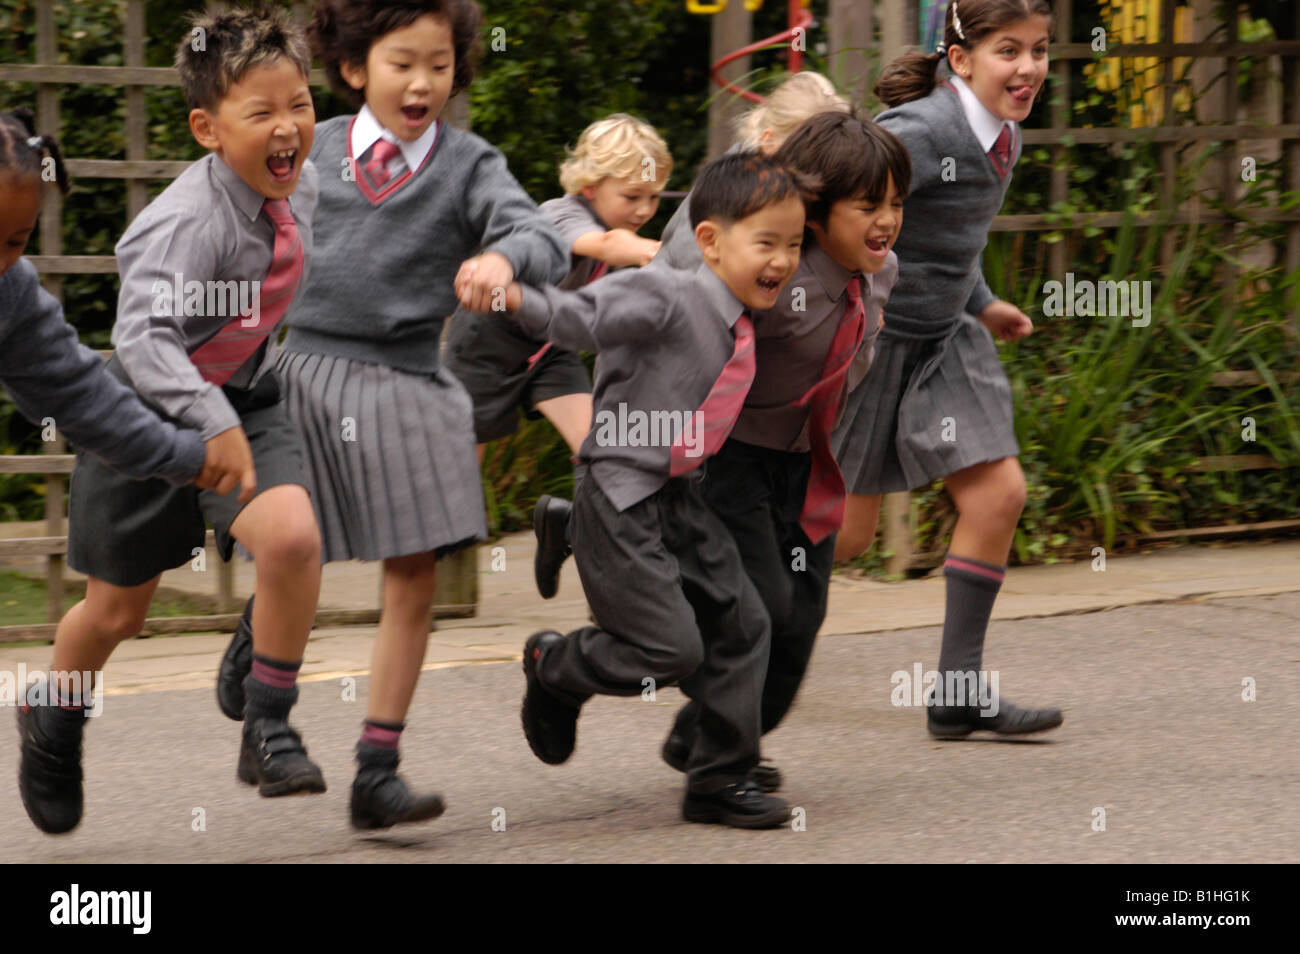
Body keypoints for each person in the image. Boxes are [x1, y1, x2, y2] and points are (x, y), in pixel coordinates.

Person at [216, 0, 568, 831]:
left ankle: (378, 769)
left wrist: (500, 254)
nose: (421, 83)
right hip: (303, 372)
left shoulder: (471, 163)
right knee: (291, 549)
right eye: (402, 62)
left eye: (439, 65)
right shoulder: (310, 148)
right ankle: (267, 707)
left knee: (414, 575)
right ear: (351, 68)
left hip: (412, 380)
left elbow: (541, 237)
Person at [20, 7, 326, 837]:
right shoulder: (187, 221)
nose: (287, 126)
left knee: (294, 539)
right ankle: (52, 716)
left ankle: (268, 720)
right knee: (116, 613)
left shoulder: (307, 171)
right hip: (149, 412)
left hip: (248, 400)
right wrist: (203, 420)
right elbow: (141, 336)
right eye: (259, 113)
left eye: (297, 103)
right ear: (206, 128)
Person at [476, 151, 810, 829]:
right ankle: (555, 665)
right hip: (622, 492)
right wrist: (513, 294)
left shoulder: (742, 314)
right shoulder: (669, 291)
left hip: (683, 496)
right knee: (670, 651)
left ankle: (717, 781)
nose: (782, 260)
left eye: (795, 244)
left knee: (747, 625)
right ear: (711, 242)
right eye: (767, 243)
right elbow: (582, 318)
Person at [830, 0, 1063, 736]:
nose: (1027, 68)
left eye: (1039, 50)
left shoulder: (1007, 136)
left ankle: (958, 691)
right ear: (960, 59)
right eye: (1007, 50)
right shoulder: (921, 131)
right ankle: (622, 529)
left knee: (998, 494)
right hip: (873, 342)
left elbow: (953, 240)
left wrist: (986, 302)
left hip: (947, 335)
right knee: (842, 537)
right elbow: (836, 209)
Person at [662, 111, 910, 791]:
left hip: (807, 467)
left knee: (800, 623)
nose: (886, 220)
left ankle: (713, 735)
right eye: (867, 206)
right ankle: (722, 770)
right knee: (758, 610)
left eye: (896, 204)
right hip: (732, 460)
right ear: (816, 213)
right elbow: (685, 291)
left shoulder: (881, 275)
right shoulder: (773, 277)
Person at [532, 72, 851, 599]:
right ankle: (625, 596)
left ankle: (587, 539)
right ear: (770, 142)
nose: (820, 174)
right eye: (810, 156)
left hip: (723, 374)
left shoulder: (789, 194)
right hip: (673, 363)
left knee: (667, 498)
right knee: (639, 478)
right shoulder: (729, 197)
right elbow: (667, 275)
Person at [443, 114, 670, 598]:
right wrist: (672, 255)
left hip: (549, 349)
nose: (643, 210)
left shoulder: (615, 232)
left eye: (653, 198)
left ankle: (567, 530)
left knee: (599, 449)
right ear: (589, 186)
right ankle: (421, 559)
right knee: (457, 485)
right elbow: (614, 244)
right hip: (487, 340)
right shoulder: (561, 215)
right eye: (632, 197)